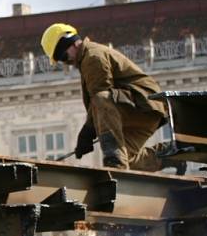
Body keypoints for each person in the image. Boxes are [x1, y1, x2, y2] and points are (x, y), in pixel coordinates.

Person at [40, 23, 185, 174]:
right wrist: (89, 132)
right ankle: (171, 156)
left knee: (101, 98)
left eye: (62, 56)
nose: (66, 61)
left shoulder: (92, 56)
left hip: (143, 104)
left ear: (70, 42)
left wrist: (87, 132)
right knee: (128, 158)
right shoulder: (87, 57)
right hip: (144, 108)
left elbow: (101, 99)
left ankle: (115, 164)